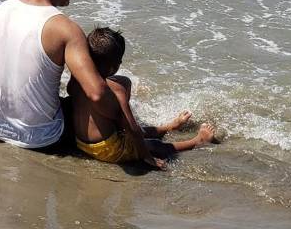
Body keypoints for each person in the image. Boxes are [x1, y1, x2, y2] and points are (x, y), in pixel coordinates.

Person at [0, 0, 165, 168]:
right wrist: (124, 122)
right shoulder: (64, 28)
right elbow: (96, 94)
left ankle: (150, 130)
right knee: (108, 95)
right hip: (39, 138)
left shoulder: (1, 9)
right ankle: (146, 136)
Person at [69, 28, 217, 165]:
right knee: (153, 144)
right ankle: (198, 141)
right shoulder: (116, 91)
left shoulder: (77, 78)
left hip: (81, 143)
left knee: (137, 123)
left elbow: (72, 92)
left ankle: (168, 127)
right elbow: (133, 129)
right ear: (116, 65)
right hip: (108, 150)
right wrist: (147, 157)